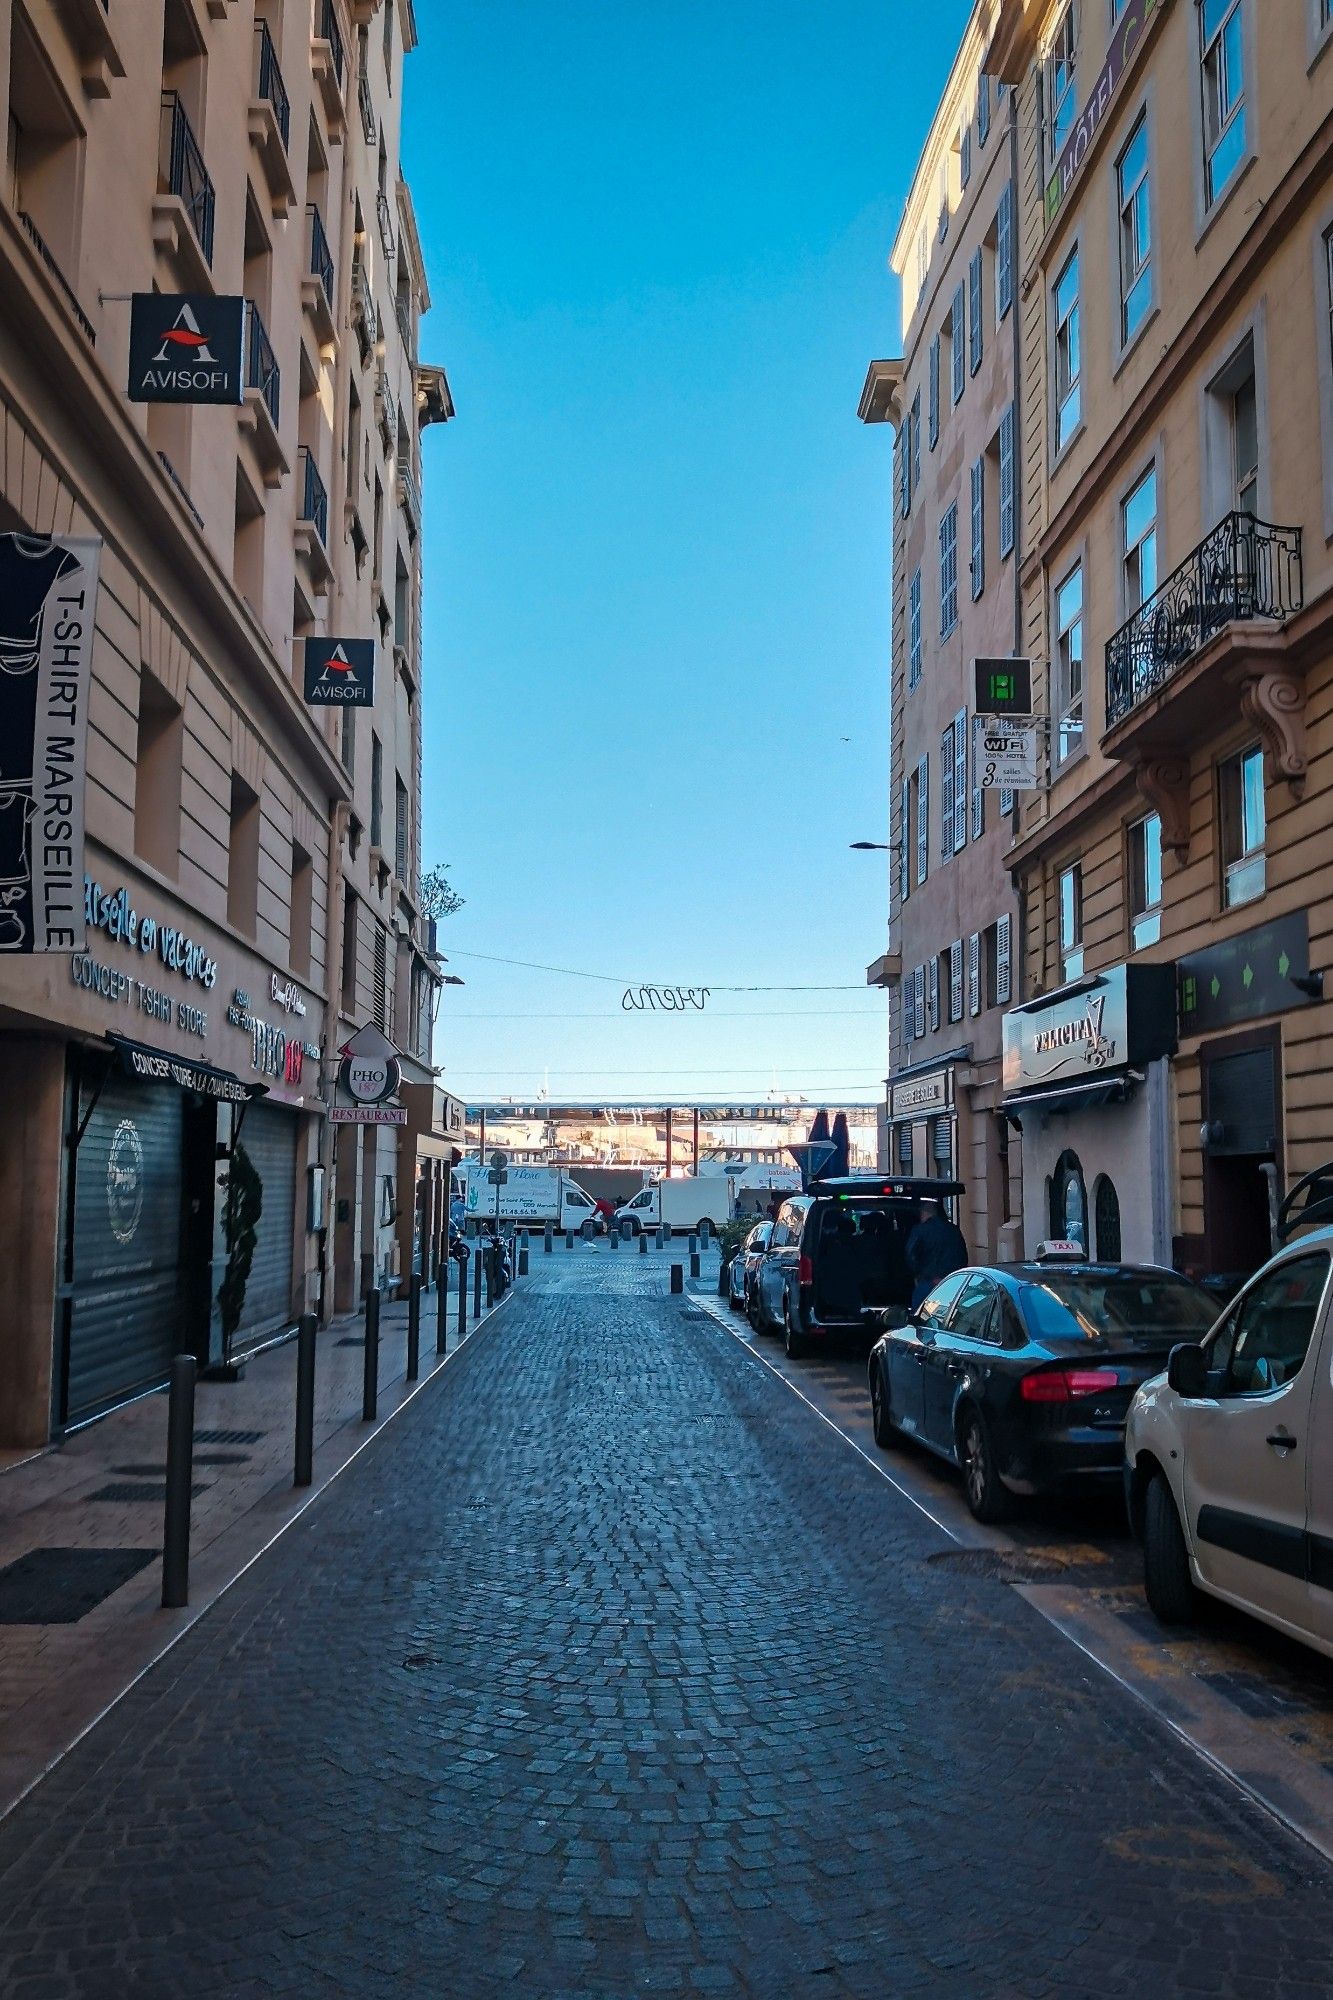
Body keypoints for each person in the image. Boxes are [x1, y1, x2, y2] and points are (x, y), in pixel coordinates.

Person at [906, 1198, 968, 1309]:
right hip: (953, 1282)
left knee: (920, 1314)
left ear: (923, 1213)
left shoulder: (920, 1230)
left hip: (929, 1282)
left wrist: (918, 1275)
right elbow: (963, 1255)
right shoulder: (953, 1229)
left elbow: (911, 1256)